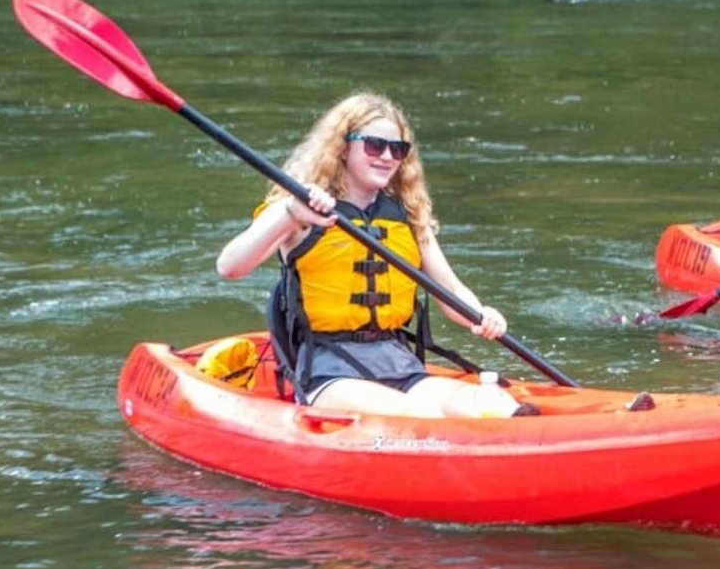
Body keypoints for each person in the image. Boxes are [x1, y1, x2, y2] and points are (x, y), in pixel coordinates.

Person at [217, 91, 535, 419]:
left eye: (397, 149)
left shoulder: (407, 216)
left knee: (493, 405)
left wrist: (481, 315)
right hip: (329, 370)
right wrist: (291, 212)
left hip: (398, 363)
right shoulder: (298, 208)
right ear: (342, 148)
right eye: (373, 145)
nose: (387, 156)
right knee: (420, 416)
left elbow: (452, 291)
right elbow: (230, 266)